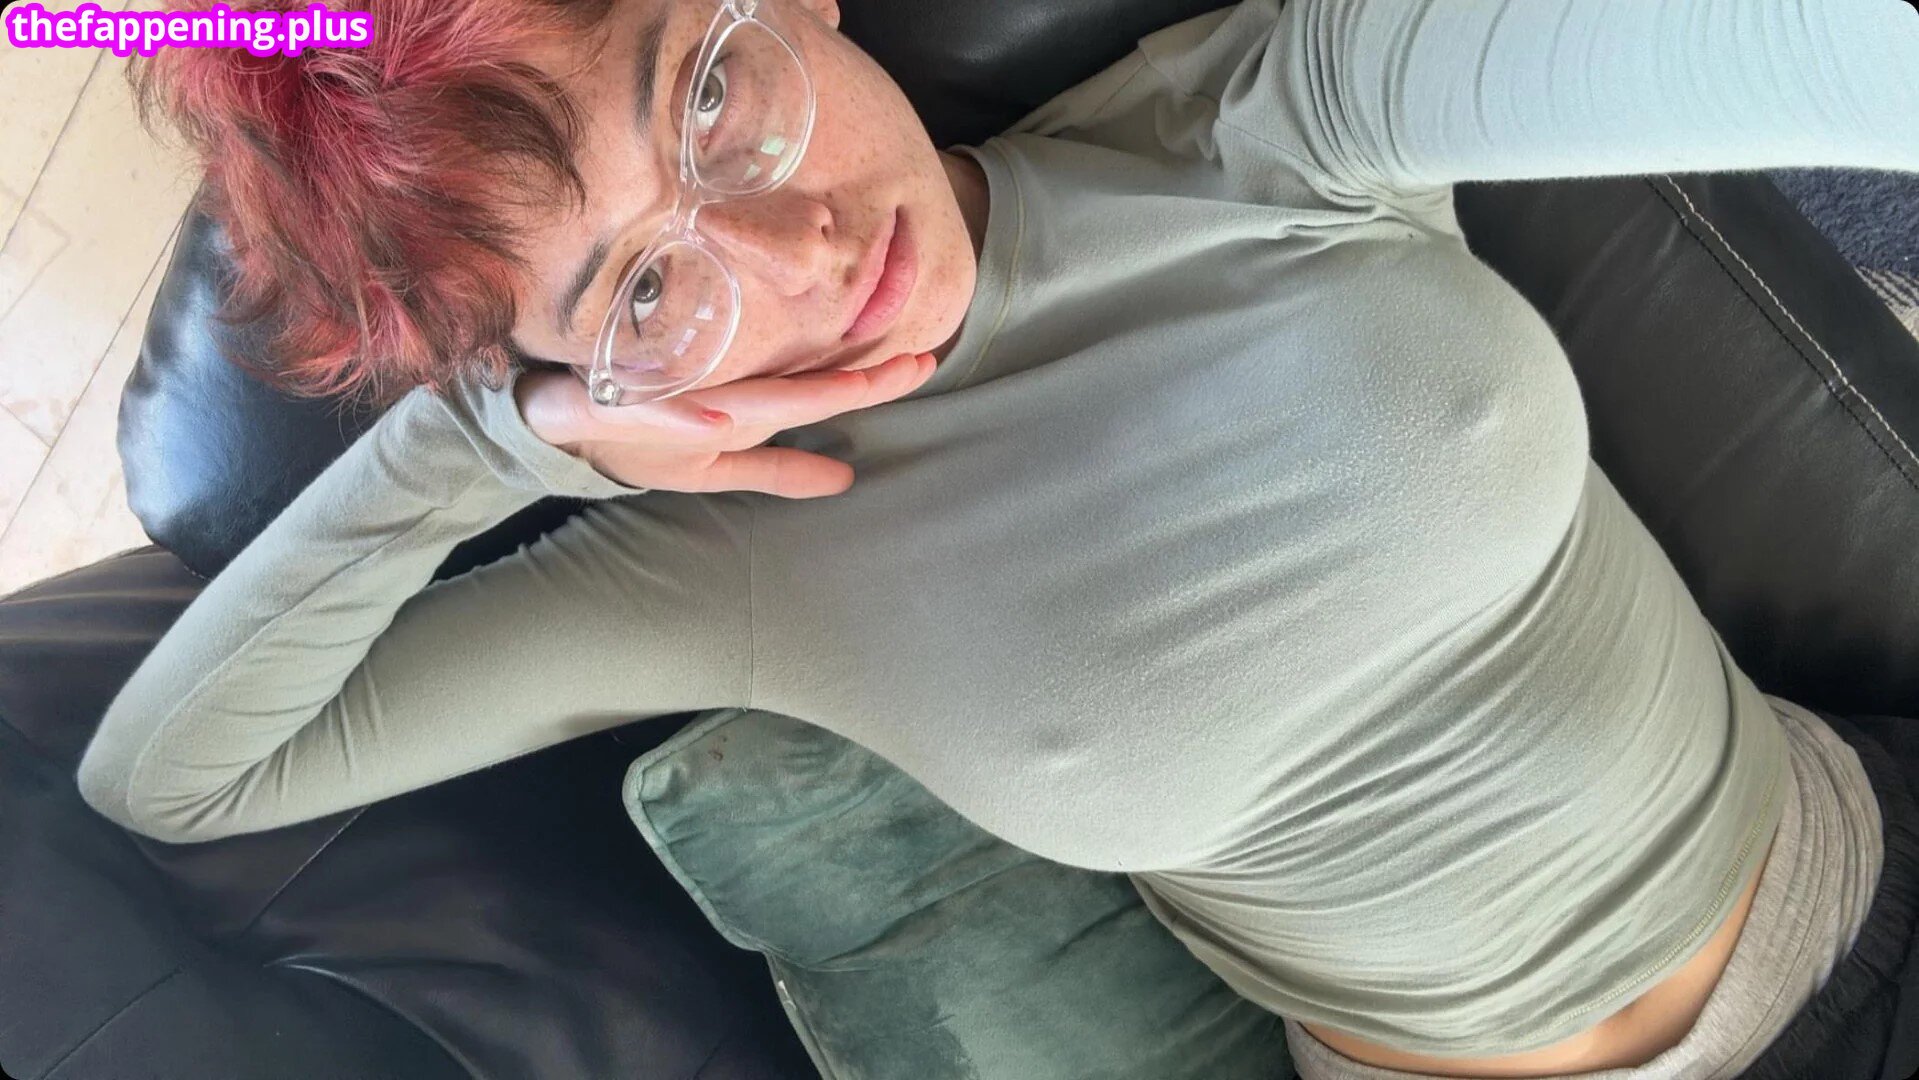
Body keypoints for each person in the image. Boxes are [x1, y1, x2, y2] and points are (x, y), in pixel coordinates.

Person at [74, 0, 1919, 1076]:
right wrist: (484, 439)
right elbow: (180, 779)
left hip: (1862, 898)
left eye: (709, 94)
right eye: (643, 285)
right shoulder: (719, 562)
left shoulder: (1266, 120)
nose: (799, 251)